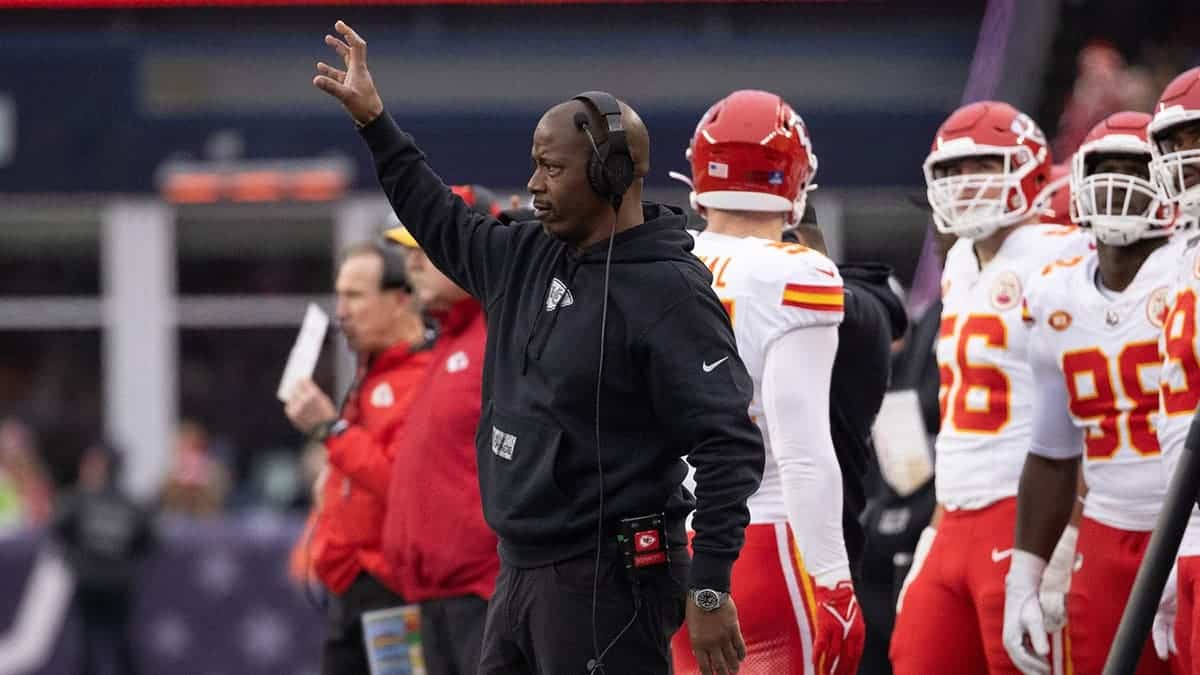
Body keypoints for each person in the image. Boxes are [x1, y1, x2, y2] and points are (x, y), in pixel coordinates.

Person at [313, 21, 765, 675]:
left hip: (610, 581)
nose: (536, 182)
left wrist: (711, 581)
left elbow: (728, 442)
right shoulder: (525, 253)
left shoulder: (671, 289)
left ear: (613, 175)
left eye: (553, 167)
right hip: (519, 569)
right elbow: (438, 216)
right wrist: (375, 123)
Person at [662, 89, 865, 675]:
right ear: (794, 178)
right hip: (762, 541)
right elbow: (802, 451)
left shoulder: (664, 257)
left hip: (672, 540)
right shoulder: (793, 271)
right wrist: (833, 581)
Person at [888, 101, 1092, 675]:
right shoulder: (958, 261)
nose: (960, 185)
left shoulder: (1062, 254)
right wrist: (934, 532)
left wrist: (1070, 531)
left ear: (1024, 168)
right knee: (915, 658)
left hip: (1024, 514)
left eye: (978, 167)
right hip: (952, 516)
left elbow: (1080, 410)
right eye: (949, 172)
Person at [1004, 111, 1179, 675]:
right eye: (1106, 168)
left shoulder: (1189, 271)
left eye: (1137, 169)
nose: (1118, 184)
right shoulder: (1055, 294)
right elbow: (1053, 451)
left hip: (1188, 527)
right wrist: (1024, 576)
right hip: (1106, 534)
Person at [284, 238, 431, 675]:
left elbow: (401, 482)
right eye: (339, 296)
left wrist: (333, 430)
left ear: (400, 299)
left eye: (354, 296)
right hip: (349, 583)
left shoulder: (423, 376)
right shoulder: (371, 373)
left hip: (391, 589)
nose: (341, 311)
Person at [380, 218, 496, 675]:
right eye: (409, 251)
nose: (412, 263)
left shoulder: (496, 339)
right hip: (421, 593)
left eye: (426, 247)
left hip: (479, 591)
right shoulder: (445, 344)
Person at [1142, 66, 1200, 673]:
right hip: (1189, 525)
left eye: (1198, 140)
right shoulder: (1183, 254)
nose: (1186, 160)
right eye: (1177, 144)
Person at [52, 442, 155, 675]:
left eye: (95, 464)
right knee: (89, 644)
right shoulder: (80, 500)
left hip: (114, 584)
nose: (88, 469)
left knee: (119, 643)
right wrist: (76, 562)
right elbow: (59, 533)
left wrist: (127, 566)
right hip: (93, 583)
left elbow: (148, 540)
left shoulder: (128, 504)